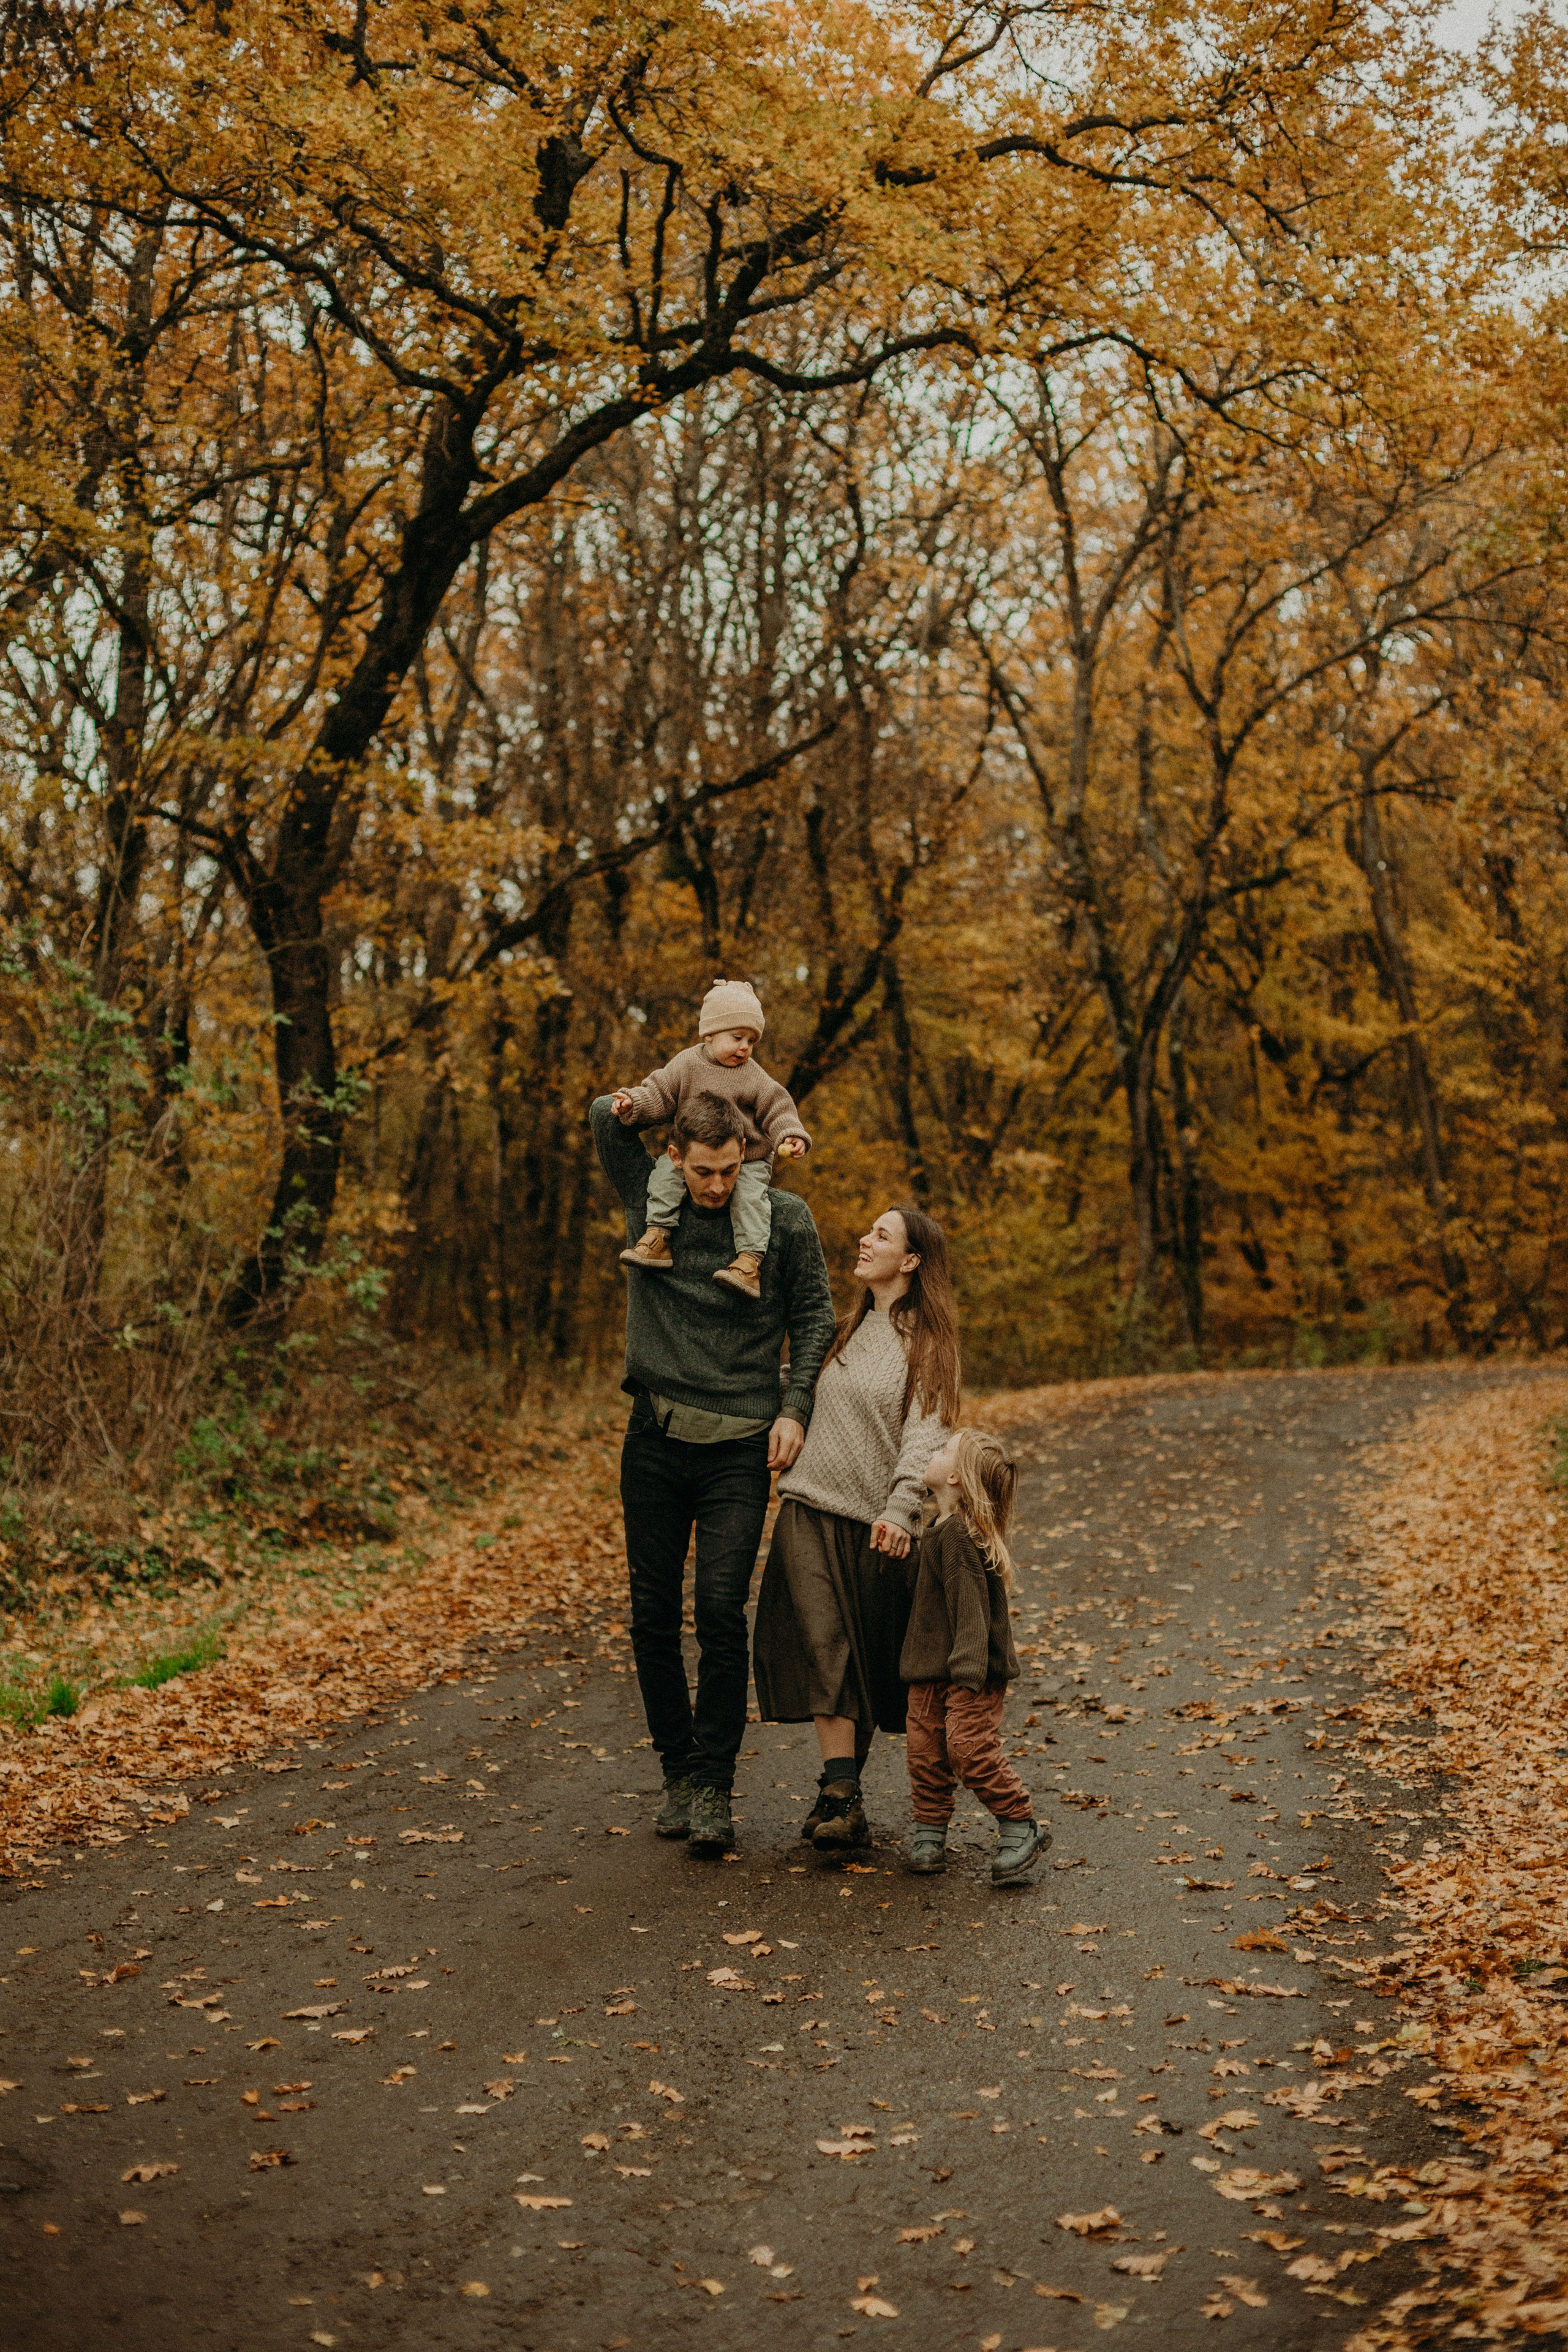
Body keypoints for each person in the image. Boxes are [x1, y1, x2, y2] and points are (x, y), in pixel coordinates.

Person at [590, 1084, 835, 1856]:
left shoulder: (781, 1220)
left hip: (739, 1444)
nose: (717, 1187)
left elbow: (815, 1316)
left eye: (730, 1170)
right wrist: (673, 1083)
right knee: (652, 1615)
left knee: (721, 1612)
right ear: (675, 1158)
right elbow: (603, 1115)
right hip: (654, 1436)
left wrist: (795, 1406)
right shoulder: (650, 1199)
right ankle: (679, 1770)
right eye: (703, 1171)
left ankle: (714, 1786)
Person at [752, 1203, 960, 1853]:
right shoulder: (836, 1332)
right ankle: (842, 1792)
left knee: (860, 1659)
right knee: (824, 1643)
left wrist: (901, 1511)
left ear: (911, 1260)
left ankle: (840, 1793)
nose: (864, 1240)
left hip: (875, 1525)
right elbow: (791, 1395)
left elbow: (925, 1436)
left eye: (881, 1235)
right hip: (808, 1509)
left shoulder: (927, 1348)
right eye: (867, 1231)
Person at [899, 1428, 1051, 1884]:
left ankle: (1019, 1823)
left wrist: (967, 1675)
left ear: (956, 1479)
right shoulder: (939, 1528)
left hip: (970, 1672)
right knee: (925, 1754)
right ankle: (928, 1832)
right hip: (930, 1671)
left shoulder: (960, 1536)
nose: (934, 1450)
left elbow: (971, 1611)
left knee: (968, 1748)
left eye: (944, 1450)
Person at [611, 979, 811, 1300]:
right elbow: (661, 1092)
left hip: (747, 1158)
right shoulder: (687, 1065)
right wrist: (633, 1103)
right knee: (664, 1175)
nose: (745, 1047)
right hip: (696, 1153)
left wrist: (790, 1134)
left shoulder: (753, 1076)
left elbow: (778, 1108)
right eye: (737, 1038)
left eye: (751, 1041)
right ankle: (658, 1237)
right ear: (710, 1034)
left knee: (749, 1197)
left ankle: (749, 1262)